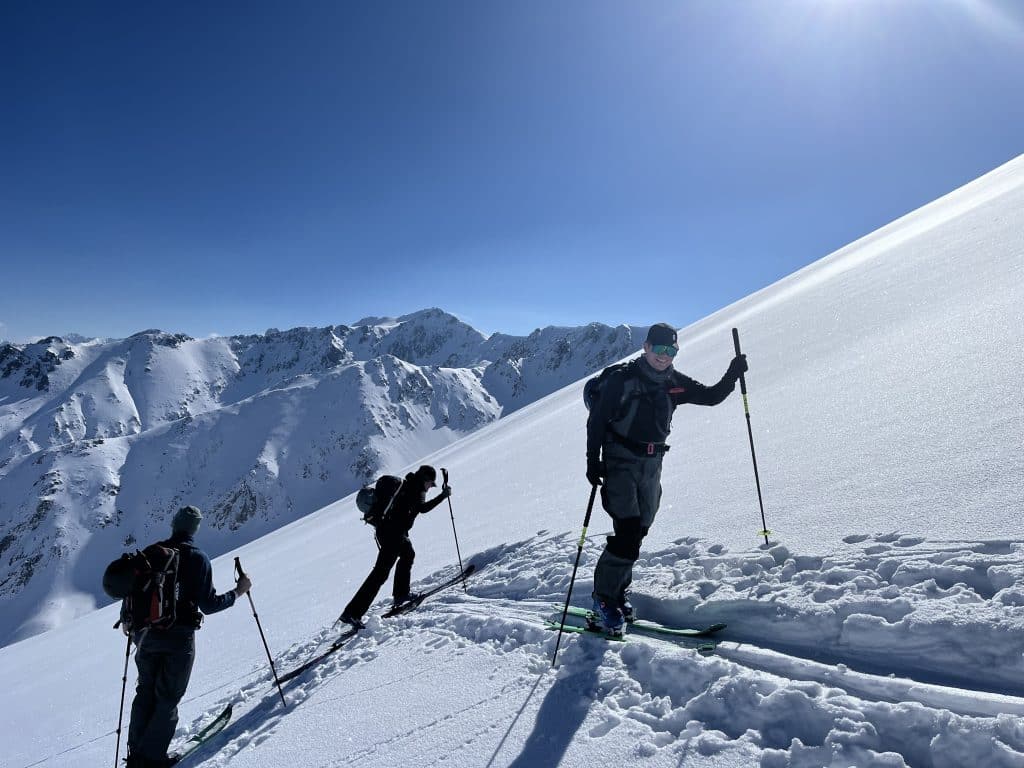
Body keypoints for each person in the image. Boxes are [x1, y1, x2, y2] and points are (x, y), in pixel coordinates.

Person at [585, 323, 747, 635]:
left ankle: (617, 595)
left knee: (640, 529)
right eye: (659, 349)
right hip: (620, 462)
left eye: (671, 350)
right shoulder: (622, 380)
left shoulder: (673, 382)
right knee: (628, 532)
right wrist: (593, 463)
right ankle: (603, 601)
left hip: (652, 464)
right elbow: (597, 422)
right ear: (646, 347)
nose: (664, 356)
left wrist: (733, 372)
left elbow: (711, 396)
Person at [126, 506, 251, 768]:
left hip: (145, 637)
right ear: (195, 529)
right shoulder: (197, 557)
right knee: (167, 696)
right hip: (179, 638)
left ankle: (137, 754)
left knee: (145, 692)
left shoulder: (152, 553)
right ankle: (152, 759)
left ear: (174, 524)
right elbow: (209, 604)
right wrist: (238, 591)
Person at [340, 465, 452, 628]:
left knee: (407, 555)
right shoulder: (416, 489)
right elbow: (423, 508)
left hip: (390, 533)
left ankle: (401, 594)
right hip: (393, 534)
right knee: (380, 573)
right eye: (430, 484)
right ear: (425, 480)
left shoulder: (409, 485)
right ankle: (352, 613)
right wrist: (443, 496)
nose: (429, 488)